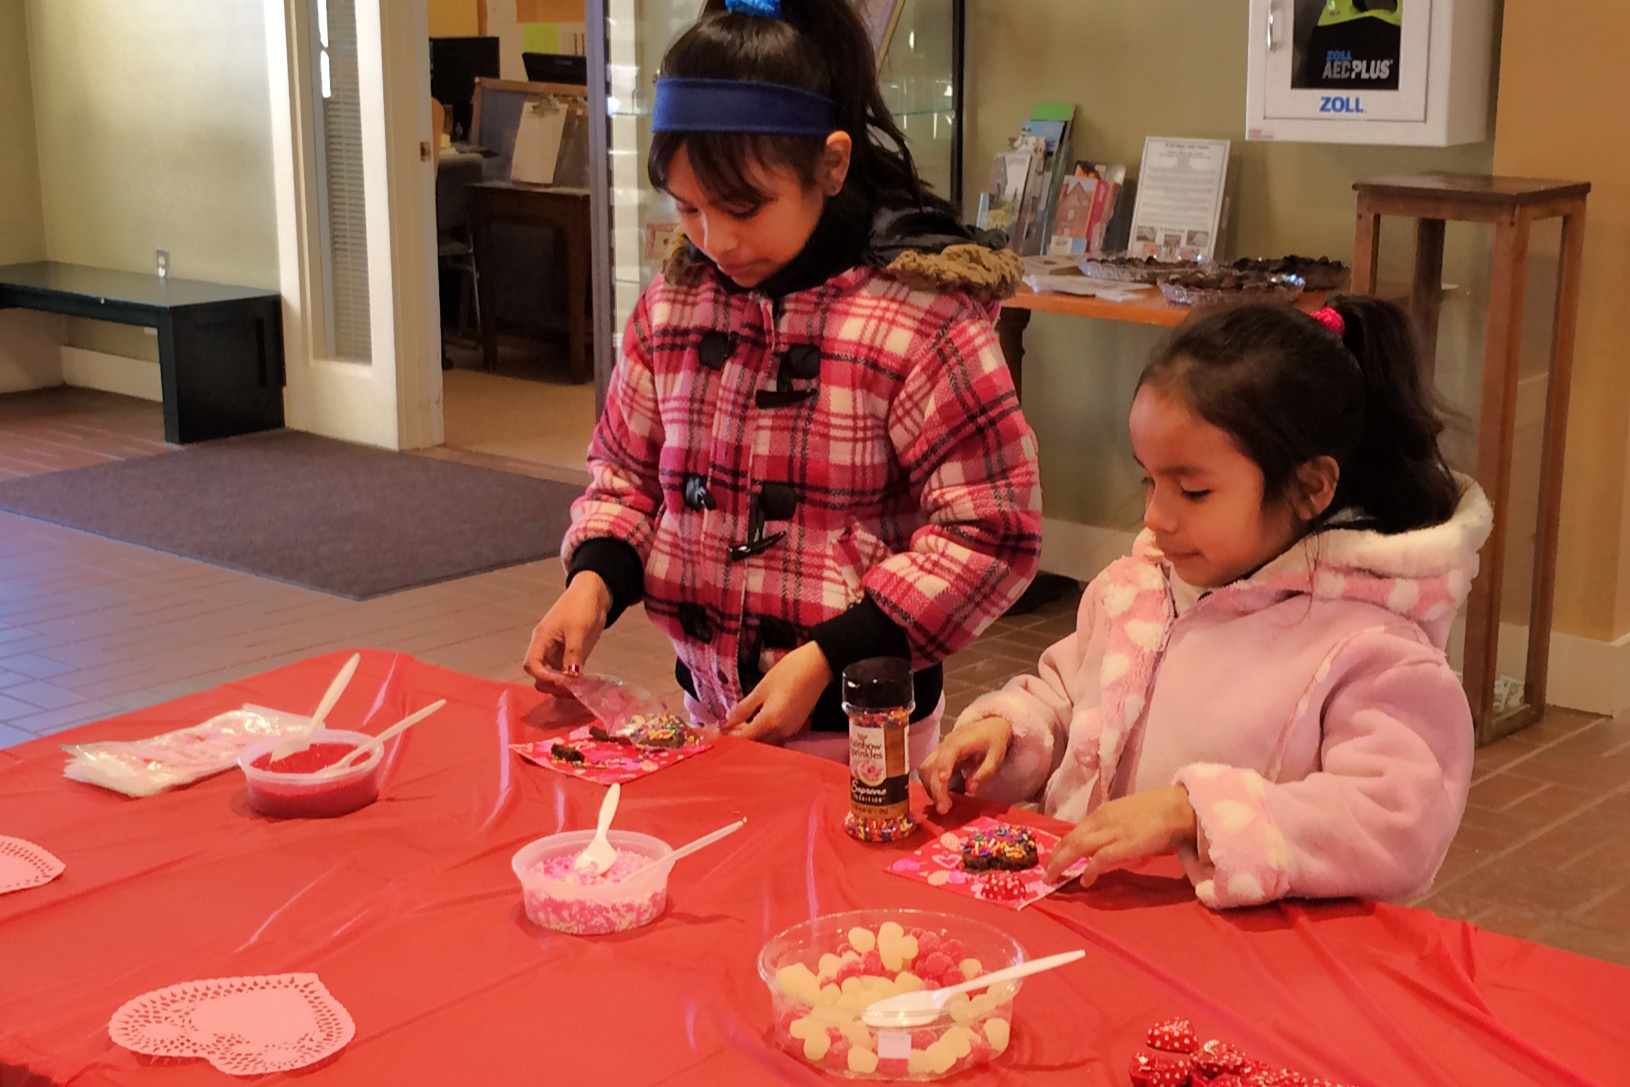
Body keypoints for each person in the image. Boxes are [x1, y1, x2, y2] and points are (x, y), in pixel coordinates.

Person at [523, 0, 1042, 766]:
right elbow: (625, 476)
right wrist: (593, 582)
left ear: (830, 165)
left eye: (744, 207)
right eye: (689, 209)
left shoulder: (919, 316)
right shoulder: (675, 303)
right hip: (708, 703)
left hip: (867, 726)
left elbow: (992, 531)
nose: (717, 240)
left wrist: (832, 653)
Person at [919, 296, 1492, 909]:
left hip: (1248, 969)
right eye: (1150, 480)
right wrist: (1011, 730)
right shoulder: (1134, 592)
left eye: (1193, 491)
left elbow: (1396, 825)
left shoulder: (1371, 648)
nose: (1154, 517)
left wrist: (1193, 812)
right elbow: (1064, 699)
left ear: (1310, 487)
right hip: (1102, 927)